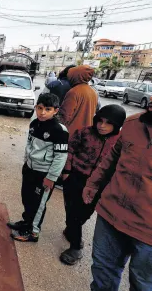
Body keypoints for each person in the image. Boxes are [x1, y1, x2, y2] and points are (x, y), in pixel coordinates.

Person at [83, 103, 152, 291]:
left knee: (142, 285)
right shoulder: (133, 124)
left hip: (147, 231)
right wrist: (93, 182)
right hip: (111, 215)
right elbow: (113, 157)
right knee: (102, 272)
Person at [59, 105, 126, 265]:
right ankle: (75, 247)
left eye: (108, 123)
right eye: (100, 121)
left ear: (117, 125)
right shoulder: (84, 132)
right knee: (72, 211)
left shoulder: (121, 142)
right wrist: (67, 171)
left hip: (98, 185)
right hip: (76, 178)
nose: (102, 126)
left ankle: (72, 229)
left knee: (84, 214)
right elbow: (69, 150)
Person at [7, 93, 69, 242]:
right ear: (35, 107)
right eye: (39, 108)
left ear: (55, 110)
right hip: (30, 169)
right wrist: (25, 162)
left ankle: (33, 232)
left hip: (44, 174)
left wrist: (51, 178)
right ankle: (26, 222)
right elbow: (29, 145)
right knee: (27, 198)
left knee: (38, 204)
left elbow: (61, 157)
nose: (42, 112)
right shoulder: (34, 124)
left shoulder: (60, 131)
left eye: (47, 109)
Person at [58, 65, 98, 136]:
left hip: (72, 132)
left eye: (70, 76)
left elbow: (65, 115)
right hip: (86, 132)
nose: (69, 79)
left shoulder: (74, 92)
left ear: (76, 76)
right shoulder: (93, 92)